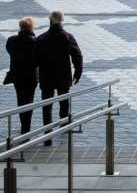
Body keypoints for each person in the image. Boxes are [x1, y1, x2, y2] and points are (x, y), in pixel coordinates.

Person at [34, 11, 84, 146]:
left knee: (47, 105)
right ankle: (64, 125)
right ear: (62, 21)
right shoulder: (67, 37)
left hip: (46, 77)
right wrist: (78, 72)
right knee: (64, 101)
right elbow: (77, 56)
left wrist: (36, 73)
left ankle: (47, 134)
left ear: (49, 21)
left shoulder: (41, 38)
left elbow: (35, 59)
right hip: (63, 76)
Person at [5, 17, 39, 135]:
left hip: (17, 75)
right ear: (31, 27)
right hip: (31, 76)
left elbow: (9, 51)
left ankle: (23, 123)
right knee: (29, 99)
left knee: (20, 99)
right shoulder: (36, 42)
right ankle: (26, 127)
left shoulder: (11, 40)